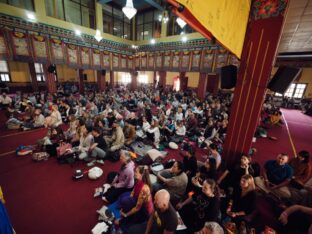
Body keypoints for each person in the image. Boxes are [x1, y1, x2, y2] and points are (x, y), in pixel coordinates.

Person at [116, 166, 154, 232]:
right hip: (138, 201)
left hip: (144, 210)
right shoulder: (138, 180)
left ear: (141, 174)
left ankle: (123, 220)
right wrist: (128, 201)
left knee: (129, 216)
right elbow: (133, 192)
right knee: (125, 198)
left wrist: (126, 214)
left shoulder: (144, 189)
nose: (134, 173)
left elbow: (137, 208)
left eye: (136, 172)